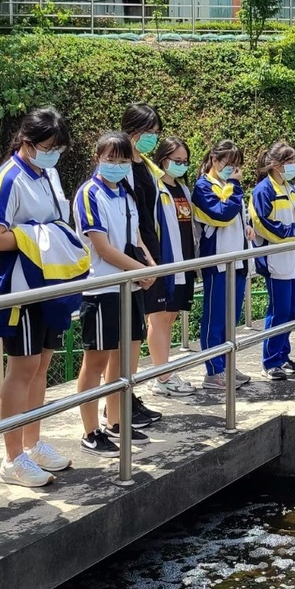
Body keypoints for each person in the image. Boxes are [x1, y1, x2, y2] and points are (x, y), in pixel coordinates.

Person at [0, 107, 80, 488]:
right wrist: (36, 237)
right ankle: (12, 457)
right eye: (48, 146)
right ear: (27, 142)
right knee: (21, 369)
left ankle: (32, 442)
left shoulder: (49, 173)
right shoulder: (8, 178)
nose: (54, 153)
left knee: (42, 366)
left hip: (50, 285)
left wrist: (50, 237)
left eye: (59, 148)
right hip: (21, 288)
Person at [73, 133, 156, 454]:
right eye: (111, 160)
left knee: (123, 361)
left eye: (123, 161)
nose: (117, 167)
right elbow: (103, 247)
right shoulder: (89, 194)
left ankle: (117, 421)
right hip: (102, 288)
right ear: (97, 159)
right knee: (95, 361)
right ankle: (90, 430)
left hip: (129, 287)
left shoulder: (125, 195)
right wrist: (140, 270)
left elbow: (135, 237)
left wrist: (148, 265)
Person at [121, 104, 166, 430]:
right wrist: (143, 261)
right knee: (126, 336)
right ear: (132, 130)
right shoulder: (121, 164)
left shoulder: (145, 164)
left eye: (155, 132)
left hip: (148, 251)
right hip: (132, 255)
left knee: (136, 333)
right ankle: (118, 403)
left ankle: (129, 397)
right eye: (148, 132)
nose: (153, 138)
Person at [192, 140, 252, 390]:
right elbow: (222, 214)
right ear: (215, 161)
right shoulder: (203, 187)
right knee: (214, 318)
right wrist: (236, 185)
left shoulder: (228, 186)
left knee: (230, 318)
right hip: (217, 262)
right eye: (229, 164)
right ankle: (213, 370)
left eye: (237, 165)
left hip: (237, 259)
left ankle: (226, 363)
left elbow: (236, 216)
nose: (233, 170)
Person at [250, 141, 295, 381]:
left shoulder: (291, 188)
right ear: (275, 164)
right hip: (276, 257)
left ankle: (283, 355)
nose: (293, 166)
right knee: (279, 309)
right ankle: (270, 361)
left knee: (292, 308)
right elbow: (263, 225)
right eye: (288, 161)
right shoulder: (264, 190)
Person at [146, 136, 199, 397]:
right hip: (162, 263)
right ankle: (162, 376)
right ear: (163, 159)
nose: (181, 165)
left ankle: (163, 372)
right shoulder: (154, 187)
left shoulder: (182, 189)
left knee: (171, 316)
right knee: (158, 318)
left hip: (184, 261)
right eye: (176, 160)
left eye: (185, 161)